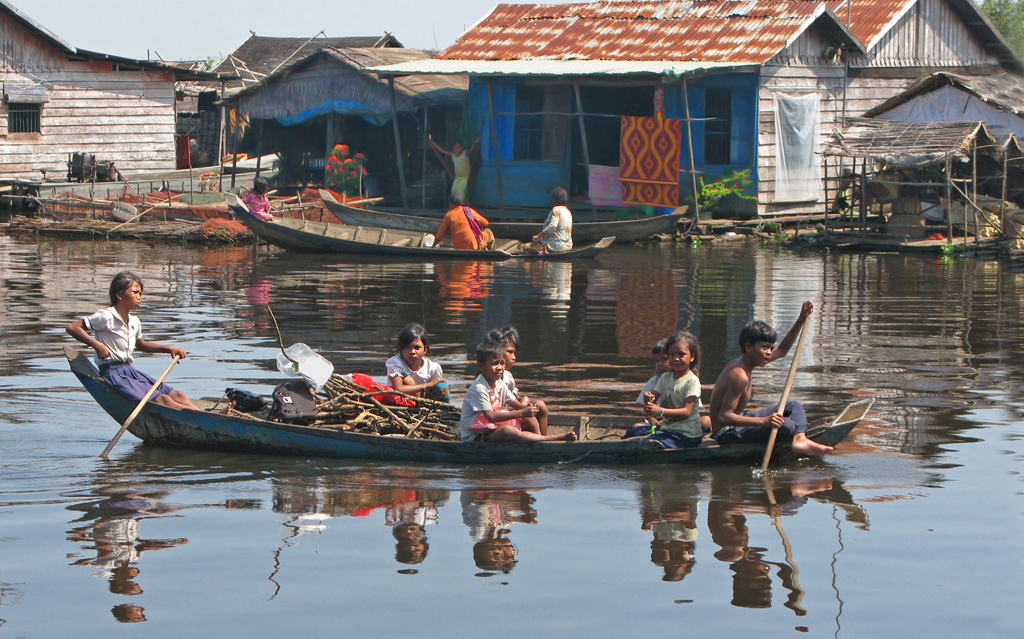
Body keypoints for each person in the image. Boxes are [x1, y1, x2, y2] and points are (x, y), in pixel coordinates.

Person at [709, 301, 833, 457]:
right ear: (749, 347)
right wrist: (764, 421)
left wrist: (801, 319)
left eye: (771, 348)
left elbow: (782, 351)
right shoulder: (739, 375)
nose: (769, 352)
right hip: (726, 433)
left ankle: (800, 439)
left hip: (741, 419)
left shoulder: (748, 361)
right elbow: (724, 416)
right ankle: (795, 437)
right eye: (765, 347)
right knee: (786, 425)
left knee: (793, 406)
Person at [67, 271, 199, 411]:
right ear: (119, 295)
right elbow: (73, 327)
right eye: (135, 292)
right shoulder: (106, 316)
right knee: (163, 400)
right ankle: (199, 418)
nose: (139, 297)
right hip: (113, 373)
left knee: (178, 395)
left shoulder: (134, 321)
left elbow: (141, 344)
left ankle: (206, 414)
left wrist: (169, 349)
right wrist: (96, 344)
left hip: (129, 371)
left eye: (140, 294)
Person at [459, 340, 577, 443]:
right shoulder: (480, 387)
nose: (499, 367)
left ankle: (541, 441)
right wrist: (522, 413)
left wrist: (531, 408)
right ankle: (551, 439)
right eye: (494, 364)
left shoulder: (499, 383)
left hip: (490, 427)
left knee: (531, 416)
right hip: (475, 436)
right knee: (508, 430)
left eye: (502, 363)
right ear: (481, 366)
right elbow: (492, 417)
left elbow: (518, 406)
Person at [640, 331, 712, 449]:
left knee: (653, 444)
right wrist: (648, 398)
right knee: (644, 439)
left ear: (692, 357)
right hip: (668, 430)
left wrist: (661, 411)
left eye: (681, 354)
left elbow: (686, 412)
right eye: (672, 355)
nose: (676, 359)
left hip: (687, 434)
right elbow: (652, 401)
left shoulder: (692, 381)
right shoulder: (665, 378)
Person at [487, 326, 549, 435]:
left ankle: (544, 438)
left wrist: (525, 401)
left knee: (541, 405)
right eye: (510, 352)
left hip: (507, 416)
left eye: (514, 353)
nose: (514, 357)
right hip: (496, 421)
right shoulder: (488, 378)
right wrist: (523, 409)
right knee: (530, 418)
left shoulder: (507, 376)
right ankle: (540, 443)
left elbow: (514, 399)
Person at [385, 323, 450, 403]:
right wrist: (429, 384)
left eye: (417, 347)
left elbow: (437, 388)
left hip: (424, 401)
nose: (412, 352)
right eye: (407, 347)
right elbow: (399, 389)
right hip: (401, 401)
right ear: (401, 350)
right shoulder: (396, 363)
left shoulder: (432, 367)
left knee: (442, 387)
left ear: (425, 349)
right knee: (408, 381)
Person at [429, 136, 480, 201]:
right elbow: (442, 151)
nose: (457, 149)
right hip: (458, 177)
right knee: (453, 190)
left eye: (459, 147)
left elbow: (471, 150)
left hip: (465, 177)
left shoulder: (465, 154)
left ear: (462, 148)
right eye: (456, 147)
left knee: (459, 189)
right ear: (453, 148)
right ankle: (454, 204)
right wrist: (433, 143)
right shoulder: (453, 155)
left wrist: (475, 143)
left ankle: (462, 202)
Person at [528, 187, 573, 253]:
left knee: (526, 247)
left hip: (554, 246)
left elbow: (552, 227)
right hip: (568, 246)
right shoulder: (568, 211)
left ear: (553, 200)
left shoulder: (556, 209)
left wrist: (538, 236)